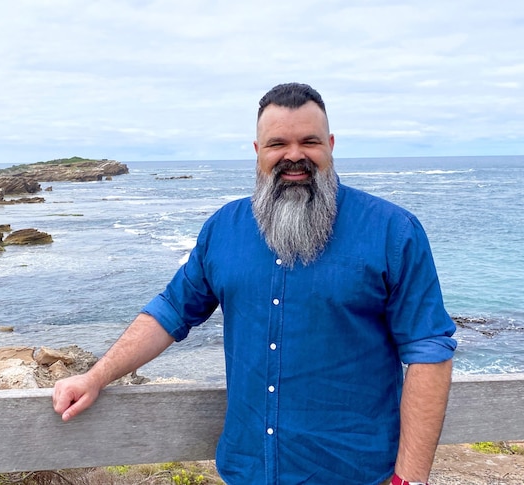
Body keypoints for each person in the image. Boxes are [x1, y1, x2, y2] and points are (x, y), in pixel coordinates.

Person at [52, 82, 457, 485]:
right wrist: (95, 377)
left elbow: (428, 352)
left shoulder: (392, 231)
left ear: (331, 145)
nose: (294, 155)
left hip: (356, 474)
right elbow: (171, 312)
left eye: (309, 141)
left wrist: (410, 480)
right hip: (246, 471)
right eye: (277, 143)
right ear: (257, 151)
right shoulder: (224, 229)